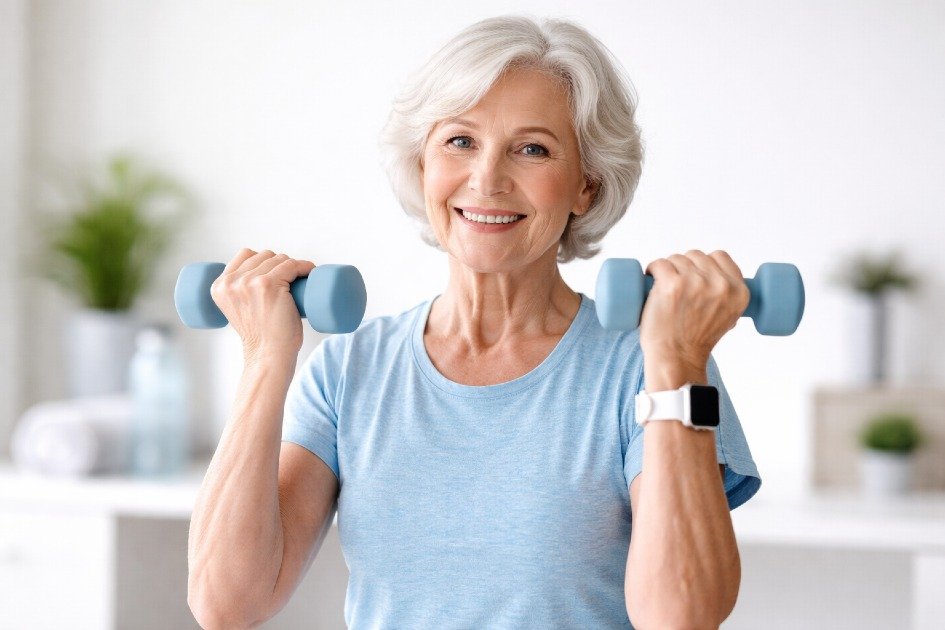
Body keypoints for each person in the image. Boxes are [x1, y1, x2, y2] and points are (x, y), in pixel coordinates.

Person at [187, 14, 762, 630]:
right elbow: (226, 603)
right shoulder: (350, 370)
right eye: (460, 141)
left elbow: (681, 616)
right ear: (422, 166)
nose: (487, 179)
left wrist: (677, 364)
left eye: (533, 149)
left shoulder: (649, 367)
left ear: (587, 187)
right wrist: (265, 357)